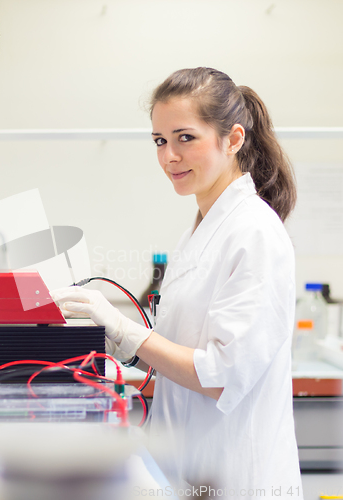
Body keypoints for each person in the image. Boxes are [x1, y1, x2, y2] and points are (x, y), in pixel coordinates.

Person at [51, 67, 302, 499]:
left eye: (185, 138)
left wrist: (127, 330)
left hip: (238, 478)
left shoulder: (254, 233)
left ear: (234, 139)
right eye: (159, 141)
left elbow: (221, 375)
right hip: (188, 471)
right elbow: (183, 350)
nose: (169, 156)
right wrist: (110, 349)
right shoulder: (200, 233)